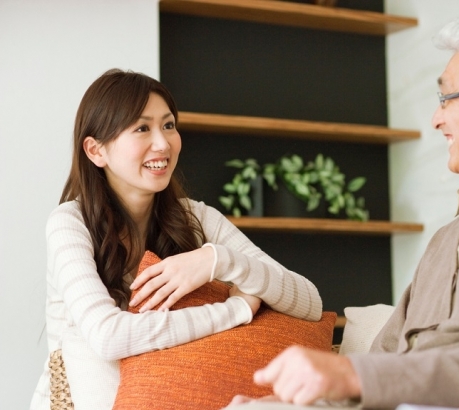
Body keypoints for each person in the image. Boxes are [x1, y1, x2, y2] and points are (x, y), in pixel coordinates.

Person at [236, 18, 459, 410]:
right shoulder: (447, 237)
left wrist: (355, 378)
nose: (436, 120)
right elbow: (383, 354)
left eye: (447, 99)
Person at [30, 69, 323, 410]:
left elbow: (310, 302)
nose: (163, 143)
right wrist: (237, 309)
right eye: (142, 128)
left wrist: (217, 260)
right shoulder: (69, 223)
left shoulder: (196, 217)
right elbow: (108, 336)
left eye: (168, 125)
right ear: (96, 151)